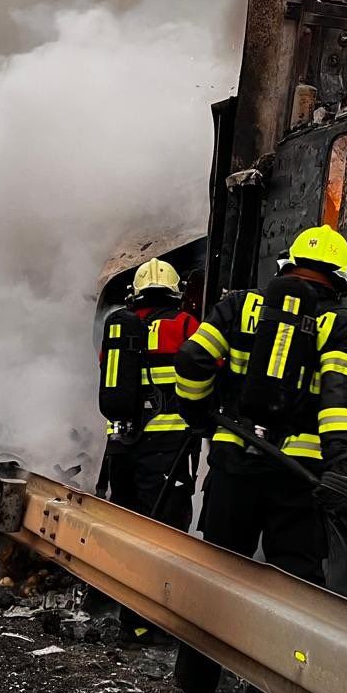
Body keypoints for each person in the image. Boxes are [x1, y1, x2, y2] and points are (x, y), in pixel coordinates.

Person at [171, 225, 347, 693]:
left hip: (234, 469)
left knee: (217, 577)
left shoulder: (239, 306)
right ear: (340, 280)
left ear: (286, 264)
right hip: (296, 479)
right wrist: (341, 468)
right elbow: (341, 401)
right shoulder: (342, 325)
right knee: (295, 596)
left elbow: (191, 361)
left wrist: (199, 414)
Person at [98, 258, 200, 644]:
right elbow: (211, 367)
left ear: (135, 293)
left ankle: (130, 619)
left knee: (129, 531)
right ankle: (155, 621)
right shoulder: (184, 325)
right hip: (166, 449)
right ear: (175, 293)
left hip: (121, 446)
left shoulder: (119, 326)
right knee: (165, 535)